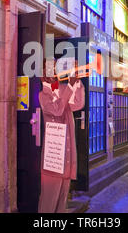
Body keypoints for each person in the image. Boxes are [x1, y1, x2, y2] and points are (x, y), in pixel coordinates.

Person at [38, 60, 85, 213]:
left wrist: (76, 81)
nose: (52, 73)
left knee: (62, 202)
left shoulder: (64, 89)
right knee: (48, 203)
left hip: (66, 158)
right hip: (53, 159)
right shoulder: (42, 96)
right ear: (42, 75)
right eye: (48, 70)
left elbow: (78, 104)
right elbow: (57, 109)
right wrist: (70, 86)